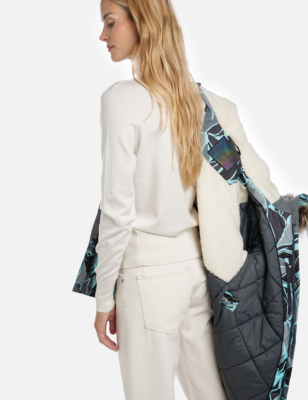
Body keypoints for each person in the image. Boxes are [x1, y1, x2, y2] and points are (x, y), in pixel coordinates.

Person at [93, 0, 229, 399]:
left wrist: (103, 297)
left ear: (141, 21)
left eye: (110, 23)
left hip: (147, 275)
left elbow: (118, 212)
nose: (103, 35)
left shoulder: (121, 100)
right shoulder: (192, 97)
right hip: (196, 271)